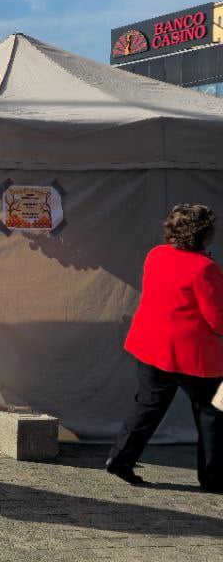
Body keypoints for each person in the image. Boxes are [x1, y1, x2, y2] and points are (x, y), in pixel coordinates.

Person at [107, 204, 223, 491]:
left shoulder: (156, 255)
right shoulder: (205, 269)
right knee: (214, 413)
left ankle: (119, 460)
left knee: (147, 406)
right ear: (204, 234)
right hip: (193, 356)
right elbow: (218, 321)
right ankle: (213, 477)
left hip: (151, 346)